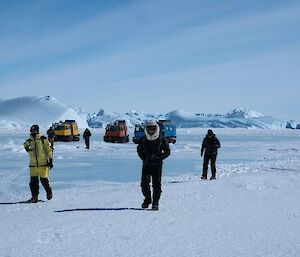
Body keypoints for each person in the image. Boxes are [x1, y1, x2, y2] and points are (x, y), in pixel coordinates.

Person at [137, 120, 170, 210]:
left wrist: (159, 158)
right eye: (149, 129)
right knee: (144, 184)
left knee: (156, 185)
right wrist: (144, 158)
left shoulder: (161, 138)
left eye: (153, 129)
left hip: (157, 165)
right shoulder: (144, 139)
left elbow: (167, 152)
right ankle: (148, 199)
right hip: (146, 164)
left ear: (156, 129)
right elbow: (139, 150)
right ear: (146, 129)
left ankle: (155, 202)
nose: (151, 130)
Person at [24, 125, 53, 203]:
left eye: (34, 130)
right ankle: (34, 197)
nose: (32, 132)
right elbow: (25, 145)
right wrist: (28, 149)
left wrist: (50, 160)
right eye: (31, 130)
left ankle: (49, 191)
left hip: (43, 164)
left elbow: (49, 150)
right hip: (33, 165)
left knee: (44, 180)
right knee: (33, 182)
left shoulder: (43, 139)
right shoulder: (29, 140)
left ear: (37, 130)